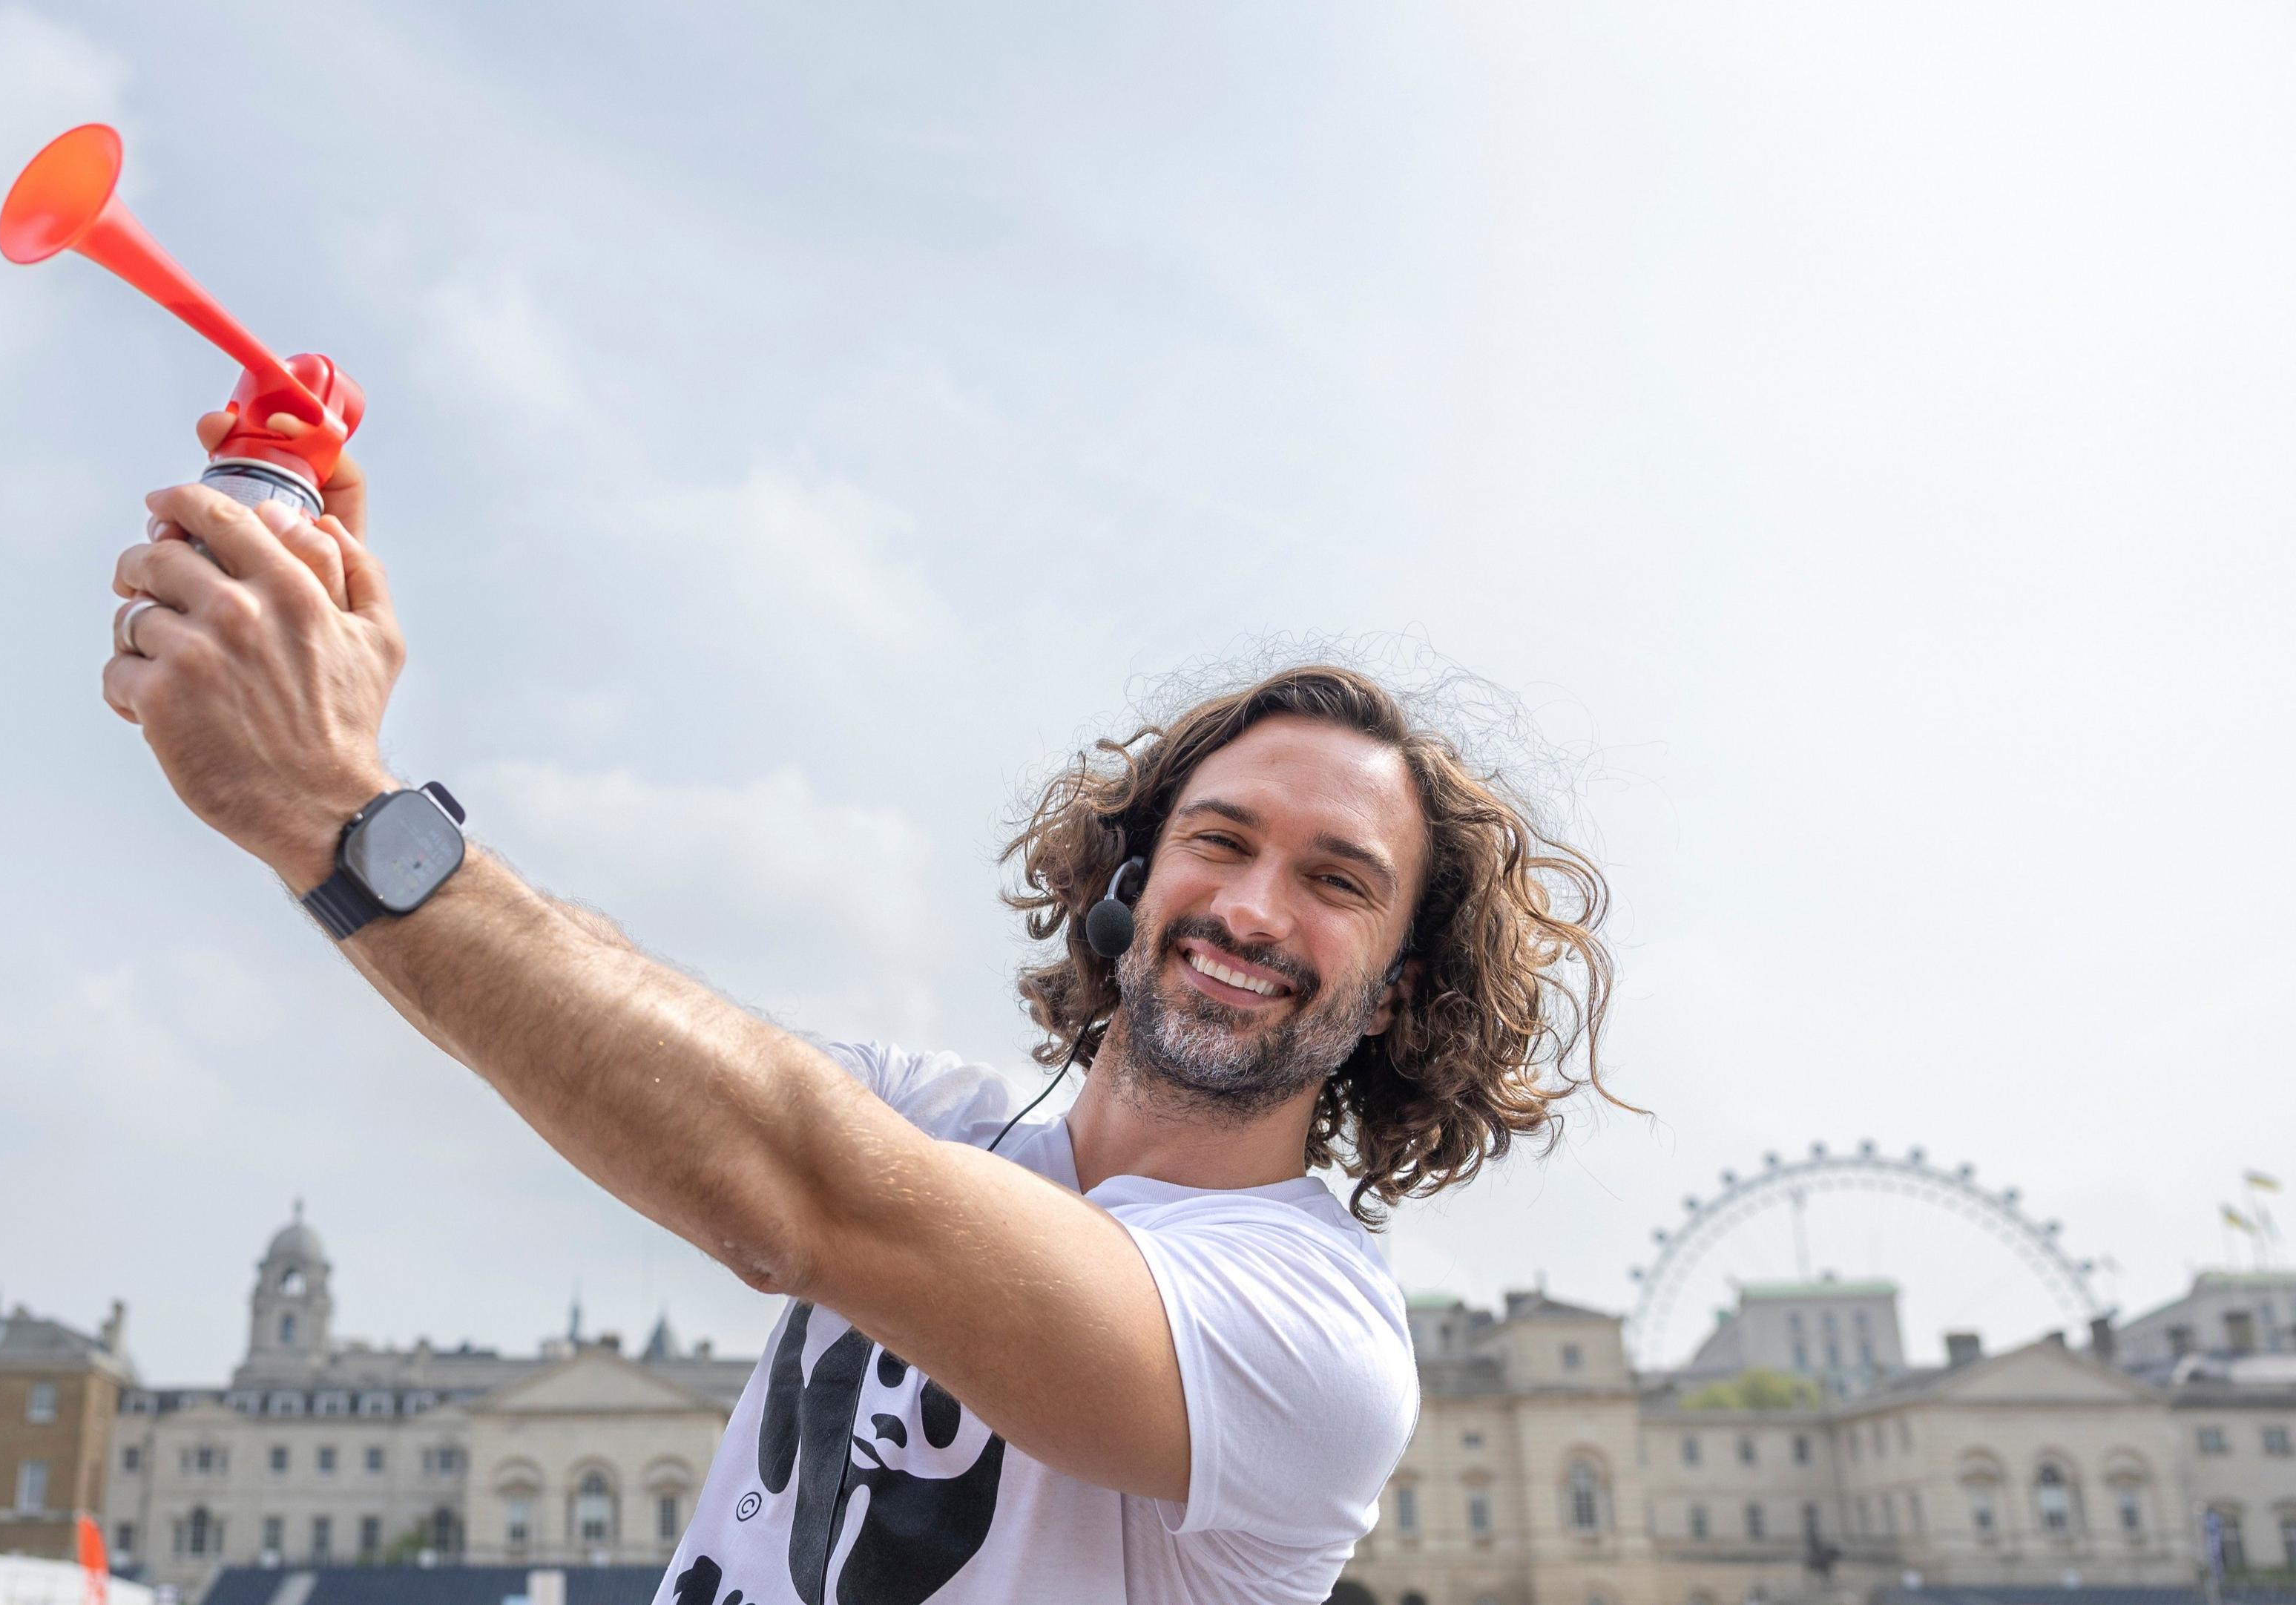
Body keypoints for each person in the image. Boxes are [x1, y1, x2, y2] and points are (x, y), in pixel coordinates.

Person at [102, 413, 1621, 1605]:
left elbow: (798, 1184)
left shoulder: (1319, 1330)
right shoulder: (944, 1114)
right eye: (1220, 841)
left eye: (1337, 880)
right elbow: (620, 1021)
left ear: (1400, 993)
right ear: (1130, 882)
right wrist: (335, 738)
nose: (1251, 907)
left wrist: (330, 804)